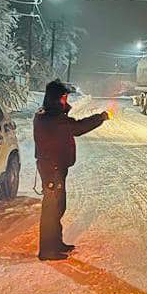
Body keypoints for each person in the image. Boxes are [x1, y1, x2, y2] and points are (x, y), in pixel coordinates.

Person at [33, 79, 110, 261]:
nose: (65, 100)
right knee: (52, 208)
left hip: (55, 166)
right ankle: (47, 250)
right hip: (52, 168)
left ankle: (56, 243)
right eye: (63, 97)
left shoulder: (49, 114)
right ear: (54, 98)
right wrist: (100, 118)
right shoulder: (52, 118)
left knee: (58, 206)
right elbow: (77, 127)